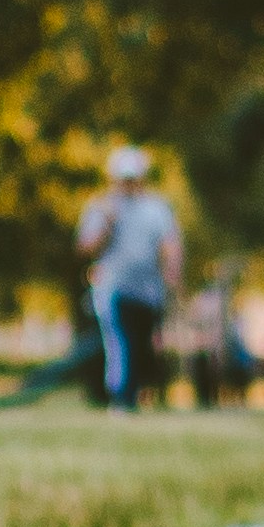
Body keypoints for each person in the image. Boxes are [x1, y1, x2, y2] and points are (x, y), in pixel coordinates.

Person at [78, 144, 184, 410]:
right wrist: (107, 223)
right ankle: (121, 398)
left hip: (148, 290)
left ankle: (135, 395)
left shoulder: (156, 208)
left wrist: (173, 272)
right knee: (120, 343)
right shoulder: (102, 207)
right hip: (113, 287)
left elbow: (169, 244)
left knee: (141, 344)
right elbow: (86, 247)